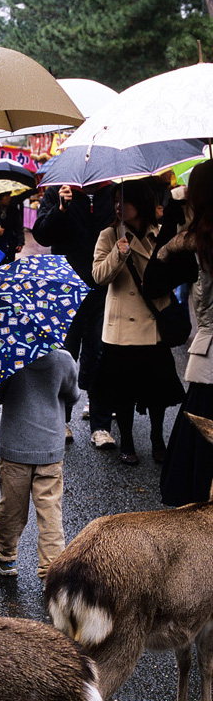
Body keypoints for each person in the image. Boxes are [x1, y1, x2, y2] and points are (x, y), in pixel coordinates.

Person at [92, 179, 185, 465]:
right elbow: (98, 276)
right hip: (122, 328)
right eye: (116, 201)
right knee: (124, 394)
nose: (119, 206)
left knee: (156, 392)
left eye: (125, 201)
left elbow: (176, 271)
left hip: (153, 324)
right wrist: (119, 253)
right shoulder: (109, 235)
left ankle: (158, 438)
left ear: (141, 203)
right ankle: (128, 442)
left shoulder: (162, 234)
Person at [143, 159, 213, 504]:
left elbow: (153, 282)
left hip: (210, 361)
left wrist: (174, 219)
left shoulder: (196, 245)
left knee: (198, 454)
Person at [33, 183, 116, 448]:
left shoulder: (112, 191)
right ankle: (62, 420)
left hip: (103, 285)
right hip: (66, 287)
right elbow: (42, 235)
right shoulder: (58, 190)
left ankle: (100, 425)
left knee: (100, 352)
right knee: (66, 353)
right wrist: (60, 208)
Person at [0, 350, 79, 580]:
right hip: (50, 446)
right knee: (50, 511)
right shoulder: (63, 359)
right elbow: (73, 394)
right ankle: (51, 568)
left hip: (14, 448)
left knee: (12, 508)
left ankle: (6, 557)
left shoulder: (8, 358)